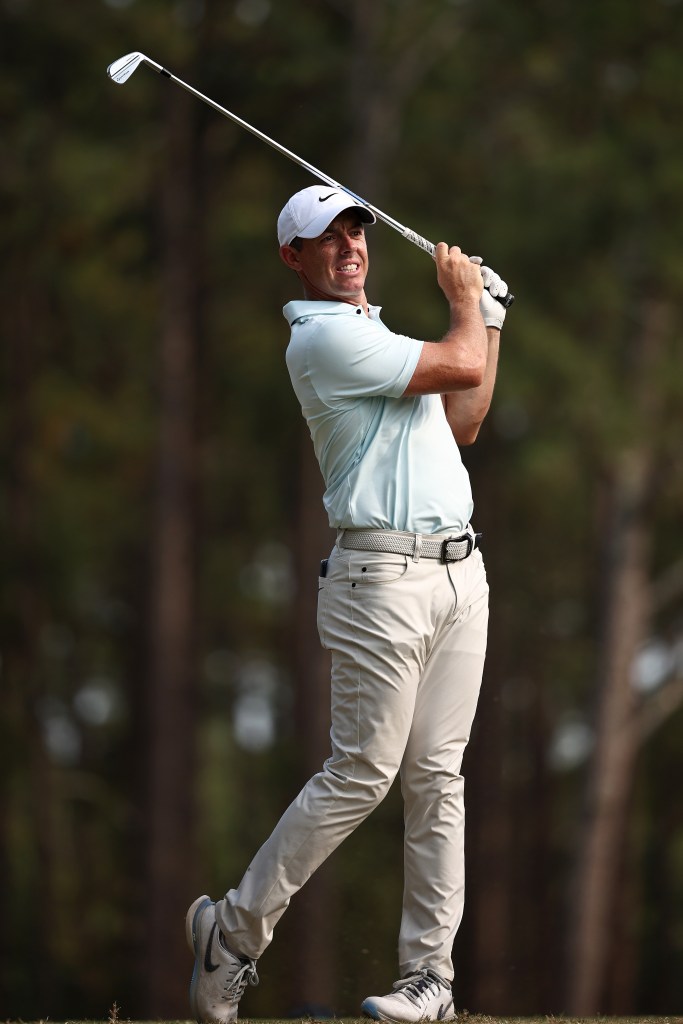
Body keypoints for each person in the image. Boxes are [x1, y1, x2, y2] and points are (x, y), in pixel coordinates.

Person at [186, 184, 509, 1024]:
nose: (349, 248)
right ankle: (233, 931)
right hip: (380, 582)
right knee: (362, 771)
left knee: (439, 778)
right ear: (293, 258)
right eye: (325, 239)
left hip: (457, 575)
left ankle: (427, 980)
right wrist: (470, 304)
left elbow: (465, 415)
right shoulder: (322, 342)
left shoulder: (377, 335)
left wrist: (491, 317)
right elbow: (461, 361)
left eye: (355, 232)